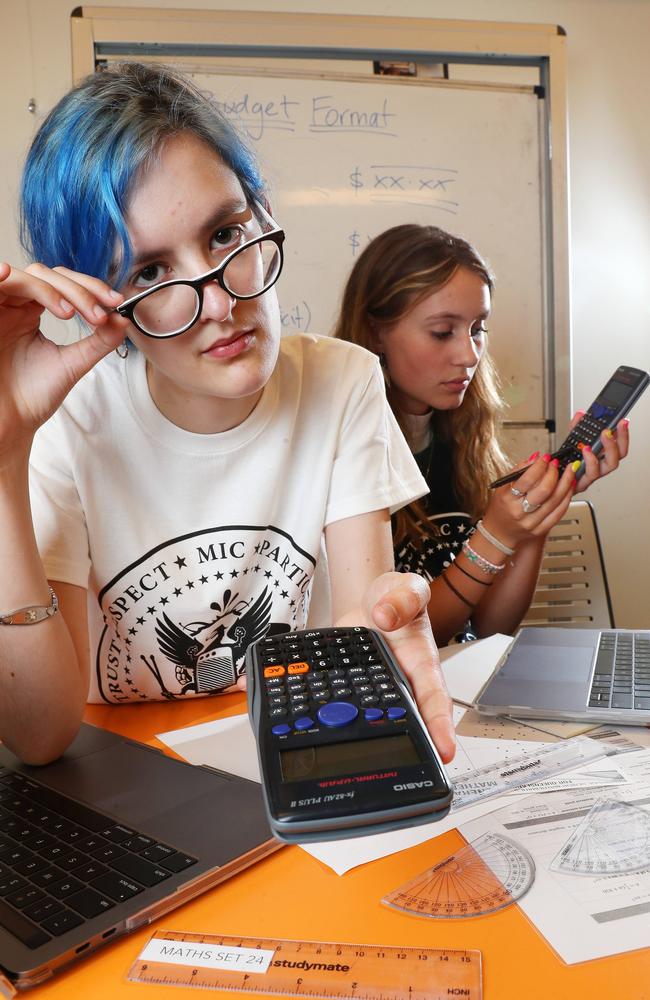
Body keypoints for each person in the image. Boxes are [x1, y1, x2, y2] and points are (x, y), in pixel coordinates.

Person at [0, 65, 455, 766]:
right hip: (119, 778)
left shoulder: (341, 381)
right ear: (97, 302)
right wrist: (4, 457)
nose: (218, 304)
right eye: (150, 274)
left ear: (263, 215)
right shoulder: (69, 424)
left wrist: (387, 625)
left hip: (286, 753)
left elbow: (361, 624)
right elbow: (41, 737)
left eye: (223, 236)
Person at [333, 224, 628, 646]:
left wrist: (533, 519)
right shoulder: (341, 450)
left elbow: (491, 629)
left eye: (478, 328)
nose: (469, 354)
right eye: (442, 332)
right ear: (377, 332)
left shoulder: (462, 435)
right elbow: (395, 638)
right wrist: (495, 537)